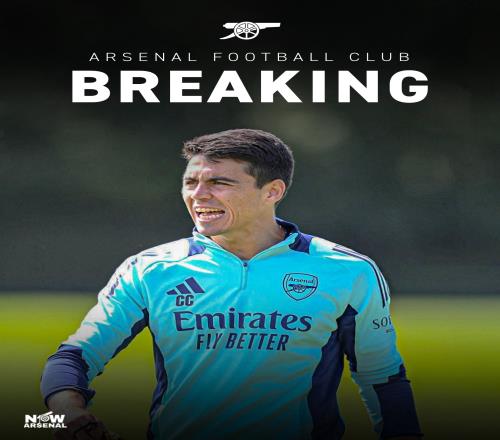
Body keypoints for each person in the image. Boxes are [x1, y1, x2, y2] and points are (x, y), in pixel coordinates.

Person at [41, 128, 422, 440]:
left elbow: (382, 377)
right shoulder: (150, 269)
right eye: (191, 182)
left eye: (219, 182)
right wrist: (67, 413)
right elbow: (74, 357)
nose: (198, 195)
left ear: (272, 191)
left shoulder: (347, 270)